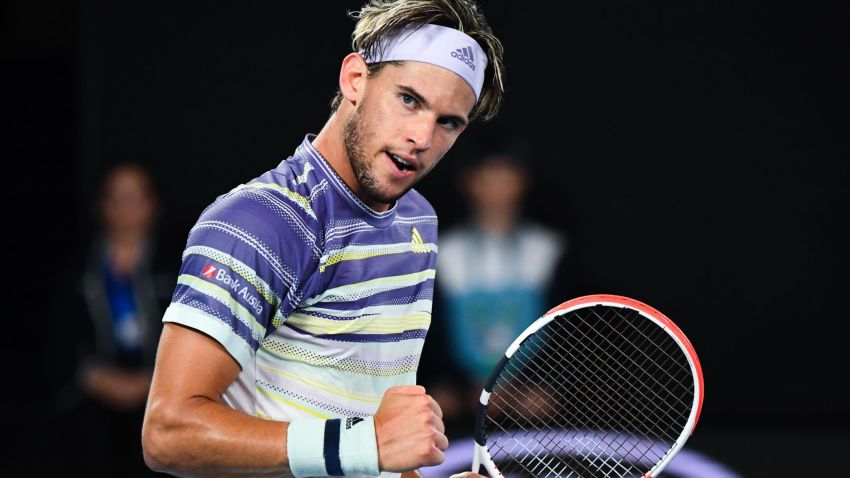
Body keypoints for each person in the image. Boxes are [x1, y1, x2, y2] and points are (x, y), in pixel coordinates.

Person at [141, 1, 505, 477]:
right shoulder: (262, 223)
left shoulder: (417, 223)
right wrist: (367, 443)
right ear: (355, 79)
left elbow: (374, 439)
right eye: (409, 99)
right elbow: (168, 433)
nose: (422, 136)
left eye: (448, 122)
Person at [420, 137, 568, 432]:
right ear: (467, 182)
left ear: (523, 180)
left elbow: (565, 338)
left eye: (505, 174)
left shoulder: (547, 250)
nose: (496, 186)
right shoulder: (444, 252)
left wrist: (530, 390)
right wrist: (459, 390)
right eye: (486, 176)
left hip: (534, 410)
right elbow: (430, 336)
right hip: (460, 410)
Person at [47, 162, 173, 477]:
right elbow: (58, 343)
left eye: (135, 197)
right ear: (101, 205)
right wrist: (94, 378)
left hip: (162, 389)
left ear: (152, 204)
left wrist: (150, 381)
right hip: (95, 395)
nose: (125, 209)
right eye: (116, 198)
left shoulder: (177, 267)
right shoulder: (79, 271)